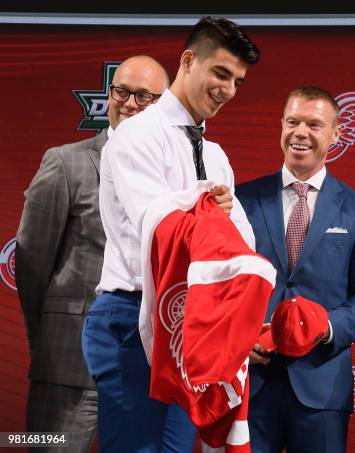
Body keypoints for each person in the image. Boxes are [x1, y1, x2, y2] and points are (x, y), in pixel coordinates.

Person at [81, 17, 260, 452]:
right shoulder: (135, 137)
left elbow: (242, 245)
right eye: (220, 73)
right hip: (130, 317)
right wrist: (207, 210)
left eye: (237, 81)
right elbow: (161, 231)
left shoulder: (216, 156)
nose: (228, 90)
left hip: (192, 325)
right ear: (188, 60)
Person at [15, 55, 168, 452]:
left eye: (144, 96)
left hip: (145, 369)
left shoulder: (174, 174)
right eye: (121, 91)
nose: (129, 103)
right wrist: (51, 334)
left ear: (164, 102)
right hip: (68, 365)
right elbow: (32, 264)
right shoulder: (65, 163)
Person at [236, 85, 355, 453]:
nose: (300, 132)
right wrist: (239, 341)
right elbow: (220, 284)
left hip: (323, 383)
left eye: (314, 124)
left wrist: (326, 328)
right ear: (281, 126)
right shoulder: (242, 200)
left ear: (336, 134)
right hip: (250, 382)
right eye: (293, 121)